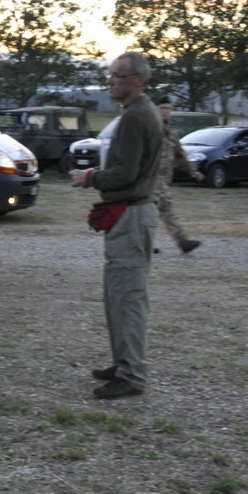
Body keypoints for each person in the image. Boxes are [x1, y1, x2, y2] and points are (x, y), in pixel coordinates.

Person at [71, 51, 165, 399]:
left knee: (126, 298)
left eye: (118, 76)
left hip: (131, 216)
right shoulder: (143, 112)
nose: (111, 81)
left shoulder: (135, 117)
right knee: (119, 295)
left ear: (138, 81)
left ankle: (131, 375)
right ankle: (123, 362)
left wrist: (90, 176)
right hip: (134, 213)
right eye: (110, 75)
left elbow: (125, 173)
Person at [154, 96, 203, 254]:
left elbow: (180, 155)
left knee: (153, 212)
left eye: (168, 108)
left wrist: (192, 171)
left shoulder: (170, 132)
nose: (166, 112)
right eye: (162, 108)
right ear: (155, 109)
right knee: (165, 208)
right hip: (150, 178)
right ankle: (182, 241)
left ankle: (144, 243)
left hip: (164, 179)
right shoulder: (149, 128)